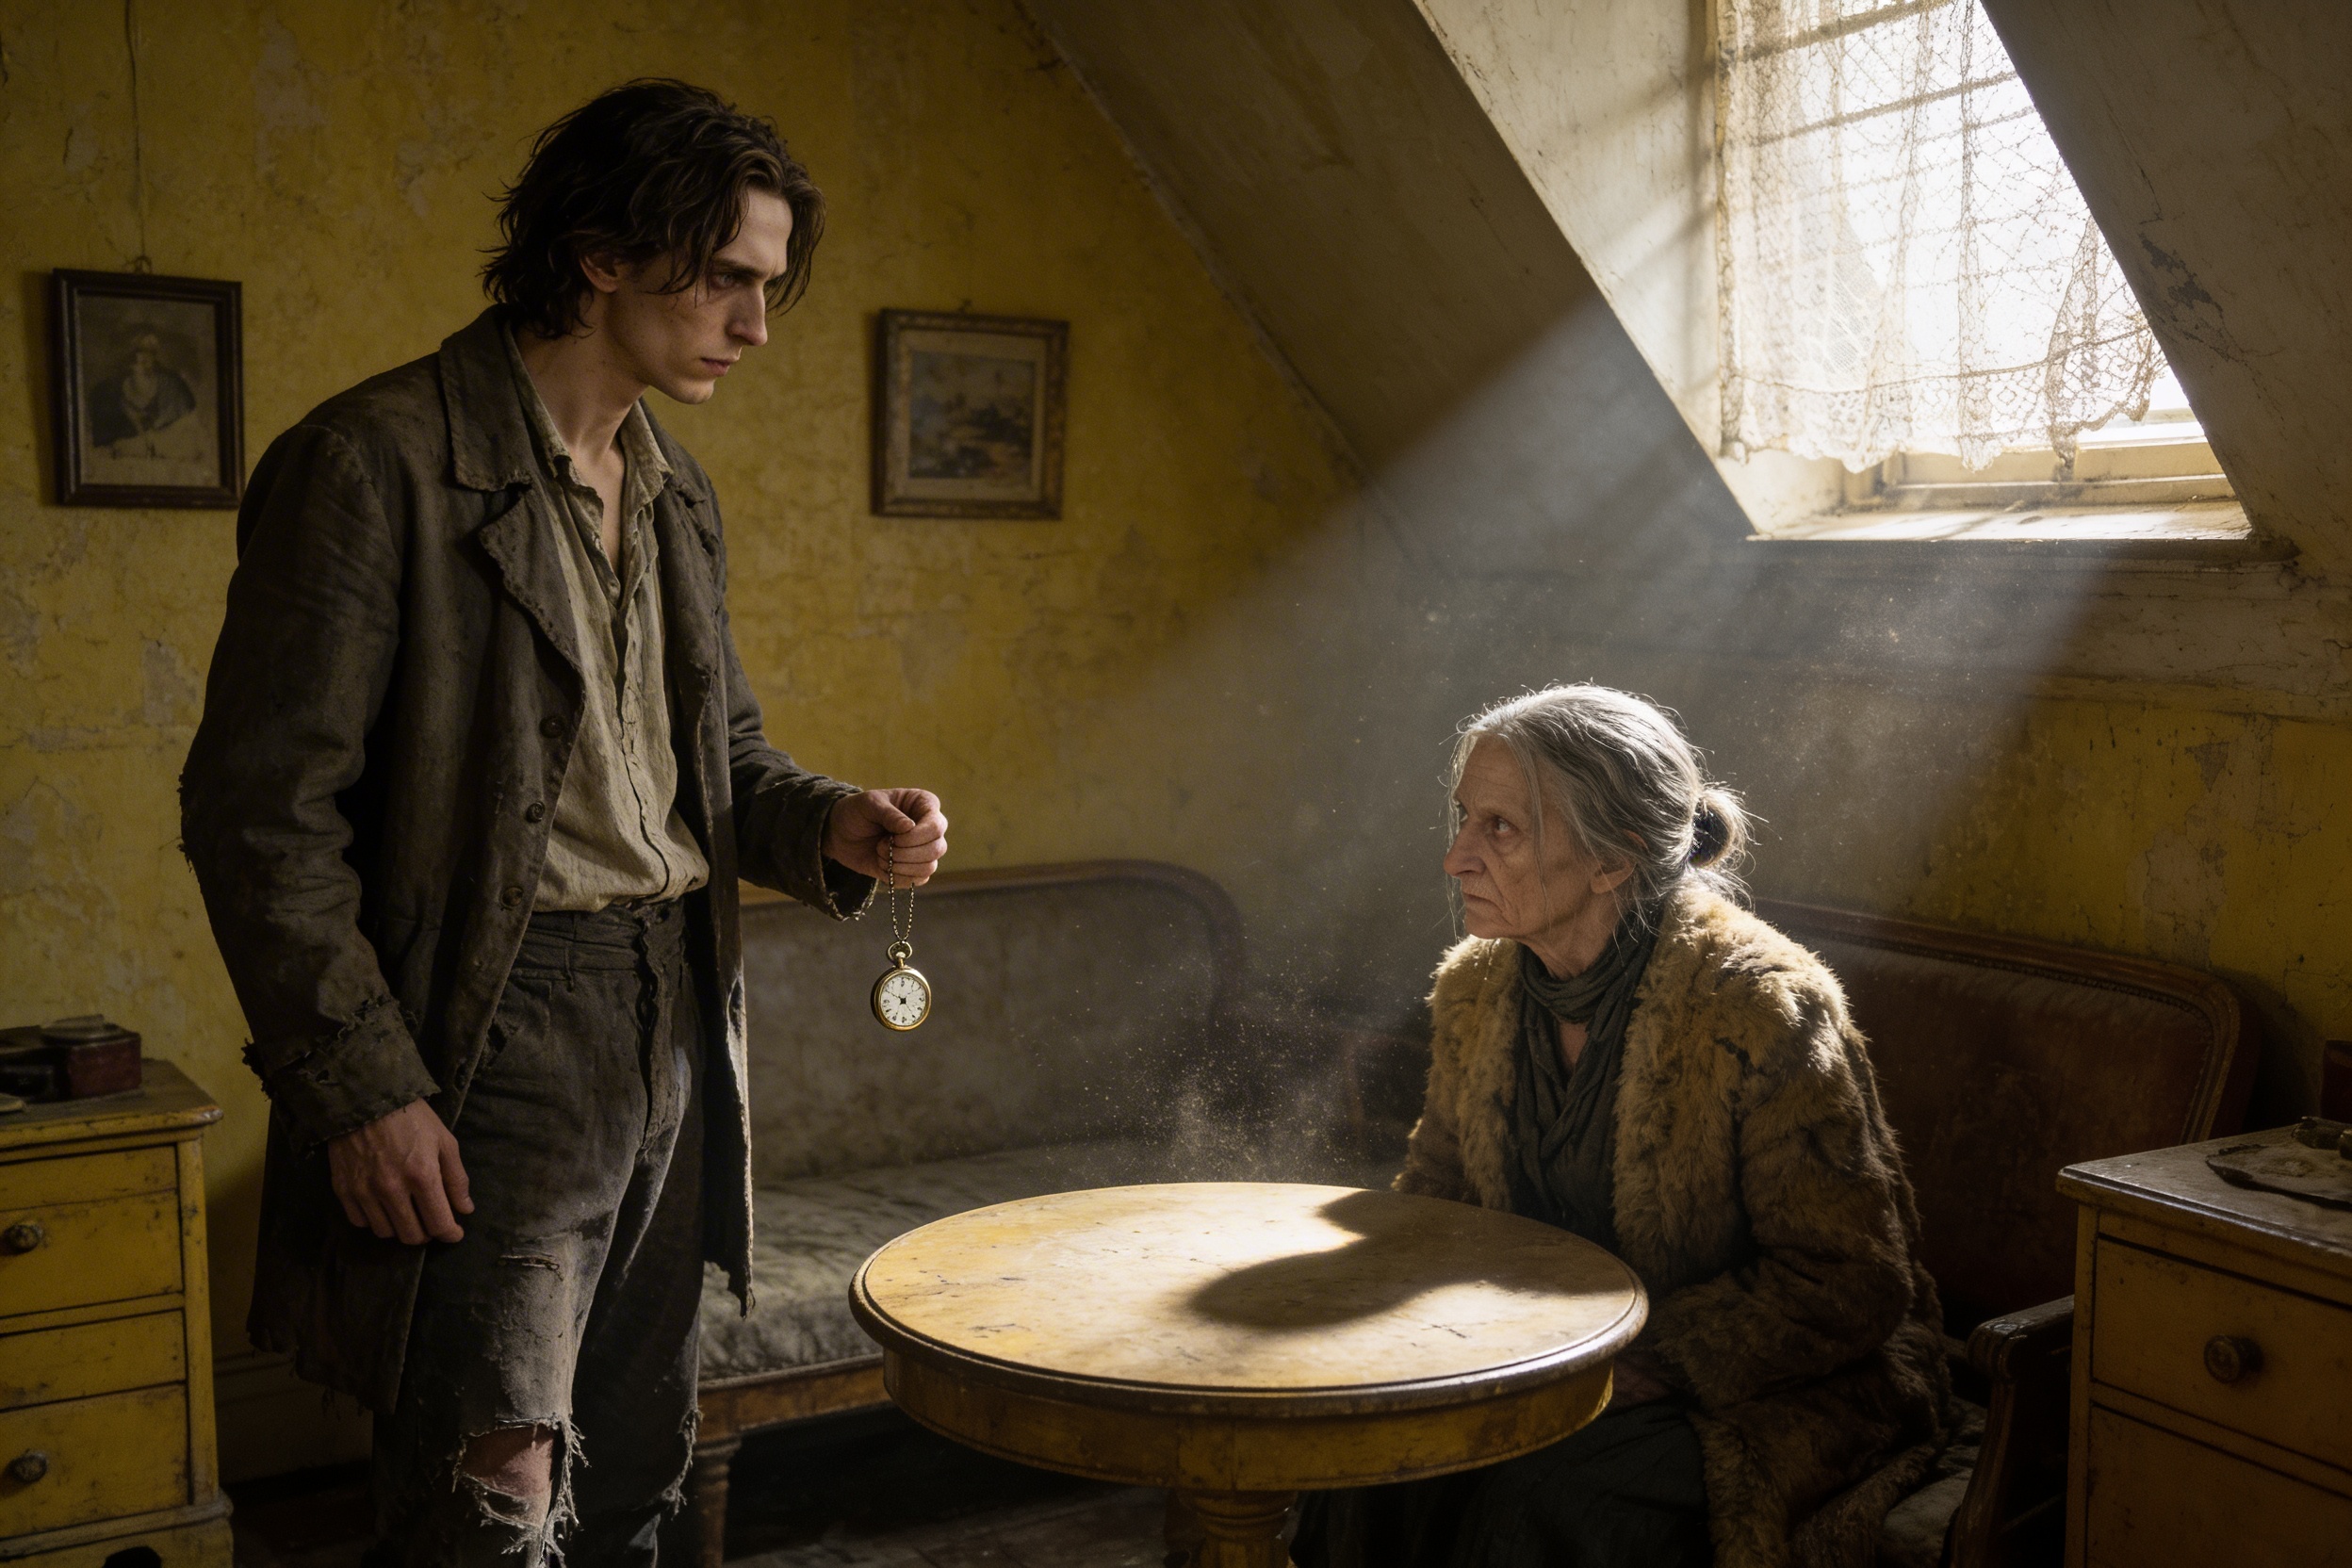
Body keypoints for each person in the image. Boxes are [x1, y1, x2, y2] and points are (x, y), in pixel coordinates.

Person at [179, 80, 948, 1568]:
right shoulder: (370, 463)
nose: (756, 326)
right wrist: (362, 1090)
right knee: (494, 1496)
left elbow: (712, 761)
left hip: (679, 1011)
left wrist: (831, 826)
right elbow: (258, 816)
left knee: (636, 1465)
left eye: (770, 287)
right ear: (600, 256)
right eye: (724, 278)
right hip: (492, 1024)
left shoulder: (672, 489)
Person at [1293, 685, 1947, 1568]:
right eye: (1464, 818)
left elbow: (1851, 1280)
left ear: (1612, 860)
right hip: (1538, 1358)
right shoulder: (1477, 988)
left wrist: (1654, 1359)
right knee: (1371, 1456)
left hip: (1764, 1387)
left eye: (1501, 828)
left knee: (1544, 1495)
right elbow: (1438, 1201)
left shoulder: (1757, 1009)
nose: (1456, 858)